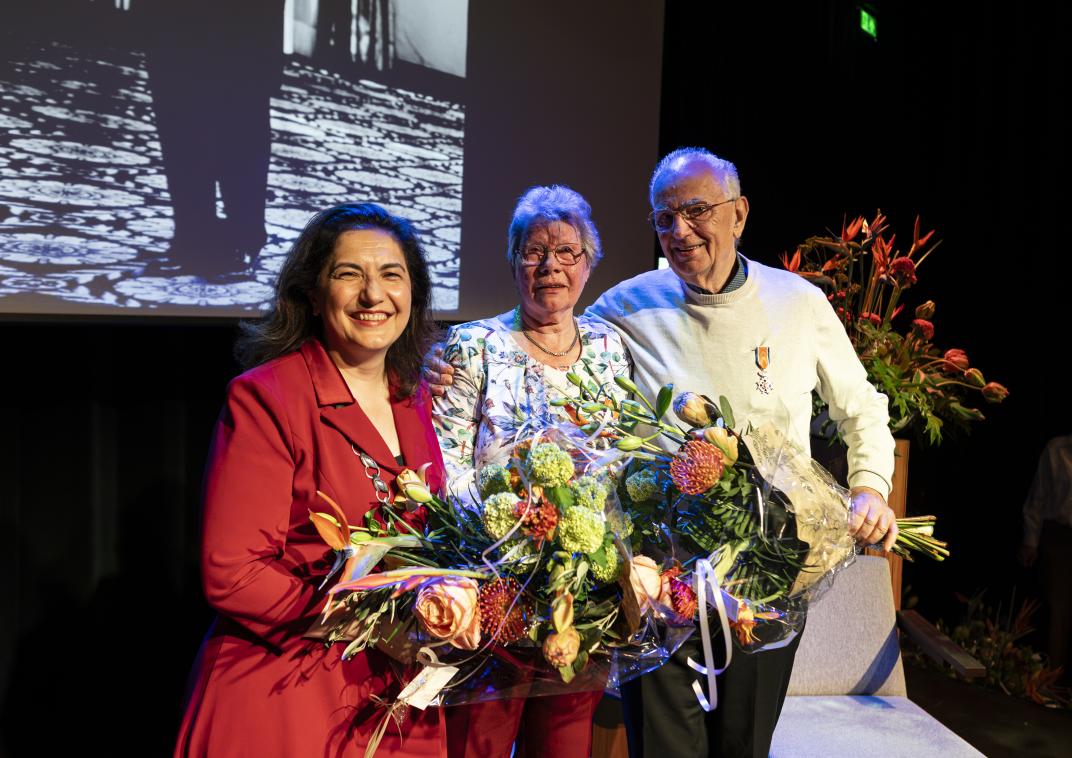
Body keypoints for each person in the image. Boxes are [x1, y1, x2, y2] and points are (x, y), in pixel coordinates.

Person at [426, 149, 897, 758]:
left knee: (742, 743)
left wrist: (870, 486)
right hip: (658, 575)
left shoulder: (798, 303)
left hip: (769, 566)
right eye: (664, 217)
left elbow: (861, 406)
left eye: (697, 211)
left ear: (740, 214)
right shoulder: (626, 306)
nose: (680, 230)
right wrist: (434, 362)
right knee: (664, 746)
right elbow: (547, 335)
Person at [174, 203, 447, 756]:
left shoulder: (415, 396)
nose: (374, 295)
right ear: (313, 293)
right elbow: (233, 573)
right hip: (288, 696)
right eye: (350, 274)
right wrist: (366, 622)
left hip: (397, 700)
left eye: (392, 275)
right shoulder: (267, 397)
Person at [431, 185, 631, 758]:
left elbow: (623, 457)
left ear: (588, 265)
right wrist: (521, 526)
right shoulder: (473, 345)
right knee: (482, 742)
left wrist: (588, 546)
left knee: (565, 744)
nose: (550, 266)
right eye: (532, 251)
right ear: (512, 260)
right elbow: (446, 467)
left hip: (584, 592)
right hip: (497, 586)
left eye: (567, 252)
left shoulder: (609, 346)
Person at [1019, 434, 1072, 682]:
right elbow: (1037, 498)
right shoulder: (1057, 449)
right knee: (1057, 610)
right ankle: (1051, 681)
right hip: (1060, 535)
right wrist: (1031, 540)